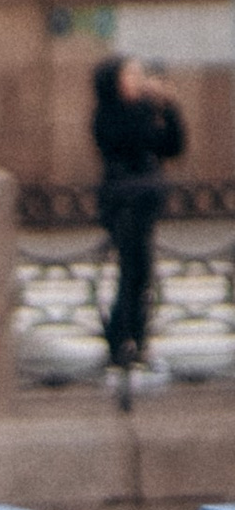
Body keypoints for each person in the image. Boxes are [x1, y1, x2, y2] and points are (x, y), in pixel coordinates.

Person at [93, 49, 185, 385]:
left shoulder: (145, 111)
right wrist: (151, 107)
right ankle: (122, 340)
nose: (139, 81)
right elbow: (132, 141)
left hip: (145, 201)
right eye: (131, 75)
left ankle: (135, 339)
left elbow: (172, 146)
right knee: (131, 271)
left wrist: (169, 109)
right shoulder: (110, 114)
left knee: (141, 272)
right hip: (122, 202)